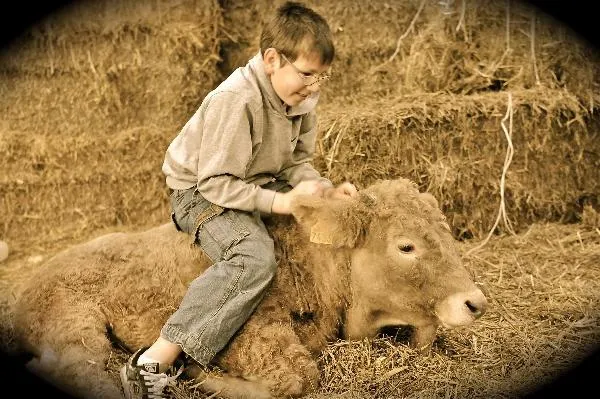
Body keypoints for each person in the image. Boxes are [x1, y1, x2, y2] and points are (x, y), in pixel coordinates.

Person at [120, 2, 357, 398]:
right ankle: (155, 359)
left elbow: (297, 163)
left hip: (256, 181)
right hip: (201, 192)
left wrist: (323, 191)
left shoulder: (301, 100)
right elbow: (215, 183)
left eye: (322, 77)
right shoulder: (236, 99)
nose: (314, 86)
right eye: (306, 74)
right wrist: (282, 204)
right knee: (254, 256)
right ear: (271, 60)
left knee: (323, 221)